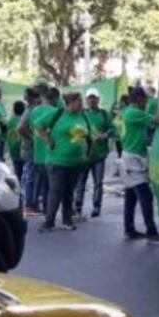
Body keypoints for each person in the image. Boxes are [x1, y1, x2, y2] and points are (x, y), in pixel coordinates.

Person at [121, 88, 159, 244]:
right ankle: (151, 231)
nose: (147, 102)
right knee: (145, 195)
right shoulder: (133, 113)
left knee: (131, 196)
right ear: (138, 99)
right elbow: (157, 120)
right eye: (145, 100)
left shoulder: (131, 111)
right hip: (133, 158)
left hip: (133, 156)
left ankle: (129, 229)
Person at [39, 93, 90, 233]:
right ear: (70, 102)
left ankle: (67, 220)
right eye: (78, 101)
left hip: (76, 162)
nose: (81, 103)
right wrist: (48, 139)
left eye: (81, 101)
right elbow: (38, 125)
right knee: (56, 191)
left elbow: (89, 135)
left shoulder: (83, 116)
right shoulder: (57, 114)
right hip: (57, 161)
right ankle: (49, 222)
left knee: (69, 192)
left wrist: (87, 155)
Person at [75, 89, 114, 218]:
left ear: (98, 100)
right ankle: (78, 206)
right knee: (80, 182)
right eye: (89, 98)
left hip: (99, 155)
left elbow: (113, 130)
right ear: (86, 100)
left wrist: (104, 135)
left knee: (98, 183)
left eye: (94, 98)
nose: (92, 100)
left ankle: (96, 207)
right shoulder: (82, 114)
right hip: (84, 156)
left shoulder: (104, 114)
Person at [30, 88, 61, 213]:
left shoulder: (35, 111)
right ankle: (48, 210)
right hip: (51, 153)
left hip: (38, 152)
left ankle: (37, 206)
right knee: (51, 185)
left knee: (40, 182)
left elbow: (33, 128)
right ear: (55, 99)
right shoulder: (56, 111)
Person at [18, 88, 42, 213]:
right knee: (31, 177)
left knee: (28, 175)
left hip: (30, 149)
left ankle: (29, 202)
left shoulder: (32, 109)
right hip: (30, 150)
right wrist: (32, 139)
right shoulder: (31, 110)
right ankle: (29, 204)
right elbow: (21, 128)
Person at [7, 101, 26, 180]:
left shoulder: (10, 121)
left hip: (13, 150)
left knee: (18, 172)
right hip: (23, 148)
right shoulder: (24, 121)